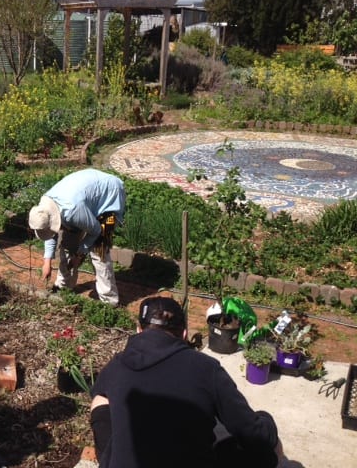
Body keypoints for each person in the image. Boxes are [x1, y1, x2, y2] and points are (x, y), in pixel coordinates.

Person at [90, 295, 284, 468]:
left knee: (100, 399)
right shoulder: (206, 368)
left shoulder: (116, 366)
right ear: (183, 333)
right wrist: (267, 423)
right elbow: (251, 433)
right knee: (267, 449)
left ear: (139, 329)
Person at [28, 168, 125, 306]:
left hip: (109, 195)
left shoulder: (72, 211)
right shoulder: (44, 208)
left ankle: (109, 302)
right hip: (85, 198)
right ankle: (64, 287)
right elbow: (50, 232)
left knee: (99, 251)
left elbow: (96, 231)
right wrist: (47, 262)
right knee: (68, 247)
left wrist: (80, 254)